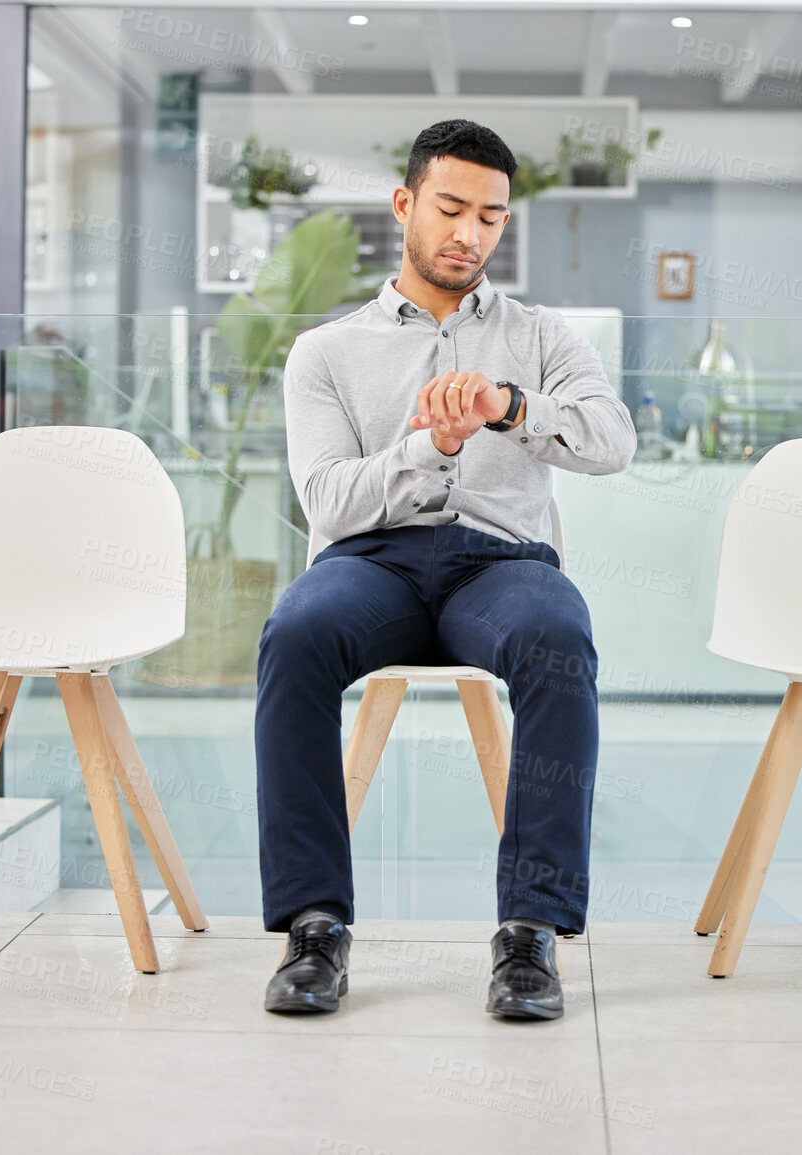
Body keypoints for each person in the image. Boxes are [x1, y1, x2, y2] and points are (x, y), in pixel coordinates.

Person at [256, 119, 635, 1021]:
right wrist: (427, 445)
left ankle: (529, 934)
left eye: (491, 217)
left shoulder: (540, 338)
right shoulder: (327, 352)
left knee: (555, 637)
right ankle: (314, 928)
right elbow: (329, 504)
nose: (470, 233)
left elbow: (612, 440)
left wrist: (508, 406)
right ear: (405, 206)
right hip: (371, 561)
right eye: (452, 208)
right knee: (296, 633)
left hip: (501, 565)